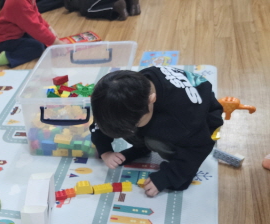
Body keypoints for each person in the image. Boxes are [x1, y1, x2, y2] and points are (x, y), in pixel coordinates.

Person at [90, 67, 224, 197]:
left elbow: (199, 148)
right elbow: (103, 121)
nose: (127, 133)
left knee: (156, 142)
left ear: (151, 100)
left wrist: (168, 177)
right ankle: (141, 147)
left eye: (133, 126)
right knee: (126, 124)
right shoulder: (125, 94)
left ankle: (162, 157)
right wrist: (105, 151)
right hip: (167, 109)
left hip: (204, 119)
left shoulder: (183, 118)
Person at [0, 0, 64, 69]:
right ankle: (8, 57)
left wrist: (48, 27)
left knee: (42, 42)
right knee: (38, 47)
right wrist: (56, 42)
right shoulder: (19, 3)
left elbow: (36, 15)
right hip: (5, 43)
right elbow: (35, 28)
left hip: (19, 34)